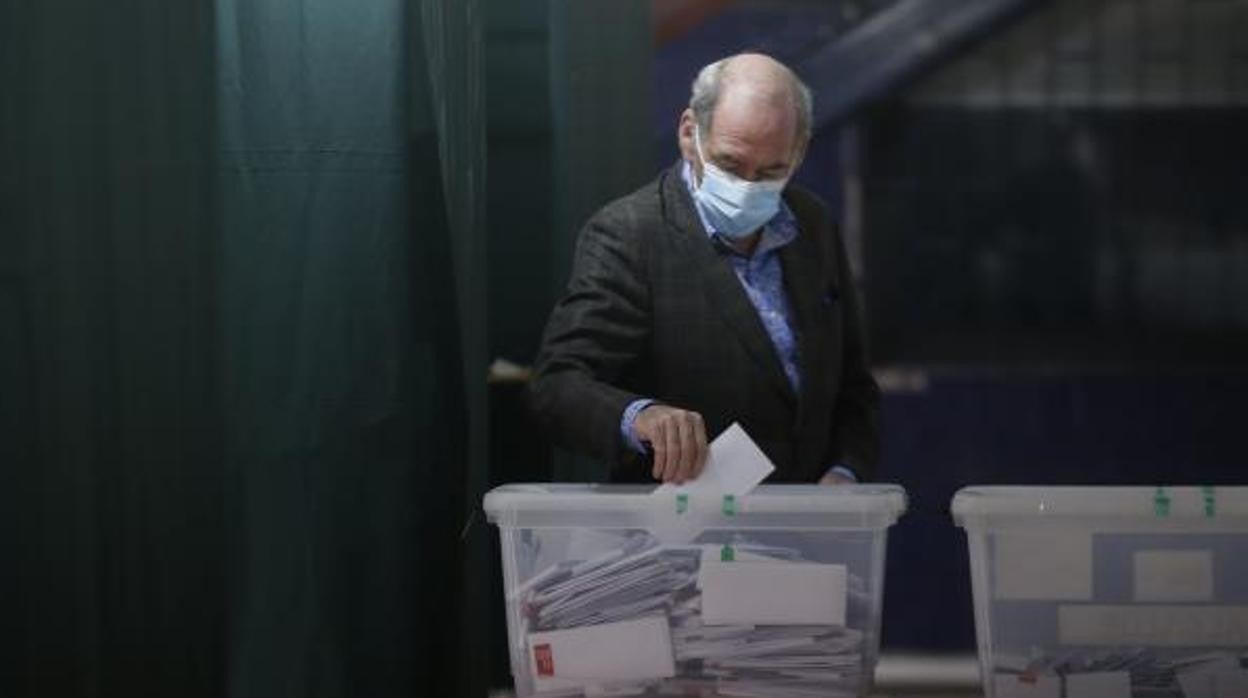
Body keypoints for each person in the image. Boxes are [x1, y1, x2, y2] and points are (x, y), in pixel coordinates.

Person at [530, 53, 879, 485]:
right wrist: (641, 417)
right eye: (730, 164)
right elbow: (559, 386)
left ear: (800, 151)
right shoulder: (630, 235)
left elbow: (854, 389)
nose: (748, 187)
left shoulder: (813, 225)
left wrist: (845, 473)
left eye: (772, 171)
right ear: (689, 133)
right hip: (681, 537)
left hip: (807, 530)